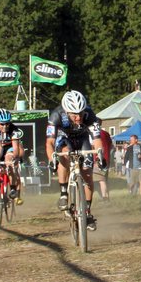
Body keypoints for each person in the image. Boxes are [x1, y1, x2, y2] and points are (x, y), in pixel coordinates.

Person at [45, 90, 102, 231]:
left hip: (82, 140)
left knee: (88, 174)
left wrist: (101, 155)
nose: (78, 118)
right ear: (67, 112)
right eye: (74, 115)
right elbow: (50, 142)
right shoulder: (56, 115)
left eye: (81, 114)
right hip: (65, 139)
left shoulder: (90, 115)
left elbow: (97, 139)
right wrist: (52, 158)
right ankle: (64, 193)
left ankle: (87, 212)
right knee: (65, 153)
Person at [0, 108, 25, 205]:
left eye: (7, 123)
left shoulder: (14, 130)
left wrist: (14, 158)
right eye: (2, 124)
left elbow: (16, 148)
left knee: (9, 160)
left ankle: (13, 189)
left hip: (10, 148)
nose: (5, 126)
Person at [96, 127, 114, 200]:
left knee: (101, 180)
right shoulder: (106, 133)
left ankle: (104, 197)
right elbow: (111, 146)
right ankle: (107, 196)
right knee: (104, 179)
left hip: (98, 159)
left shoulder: (96, 134)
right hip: (106, 159)